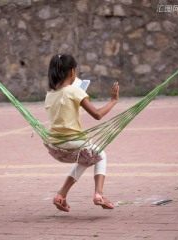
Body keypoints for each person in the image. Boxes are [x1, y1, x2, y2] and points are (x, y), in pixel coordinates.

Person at [45, 53, 119, 212]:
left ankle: (61, 195)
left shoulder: (50, 94)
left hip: (55, 143)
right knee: (100, 154)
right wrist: (113, 101)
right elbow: (97, 115)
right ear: (72, 72)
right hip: (73, 142)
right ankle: (98, 194)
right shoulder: (74, 91)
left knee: (85, 157)